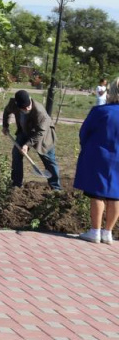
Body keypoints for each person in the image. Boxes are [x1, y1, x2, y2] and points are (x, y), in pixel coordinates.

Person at [73, 77, 119, 243]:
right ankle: (108, 233)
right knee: (115, 195)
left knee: (97, 194)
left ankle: (95, 231)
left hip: (99, 156)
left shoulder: (100, 111)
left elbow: (84, 133)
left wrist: (87, 147)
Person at [2, 89, 61, 191]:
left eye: (28, 105)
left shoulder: (39, 111)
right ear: (18, 106)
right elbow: (6, 111)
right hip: (24, 132)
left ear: (30, 99)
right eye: (25, 108)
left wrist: (27, 145)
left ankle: (56, 188)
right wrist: (5, 126)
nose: (28, 108)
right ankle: (16, 184)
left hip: (44, 135)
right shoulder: (13, 104)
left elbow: (40, 132)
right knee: (16, 154)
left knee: (49, 161)